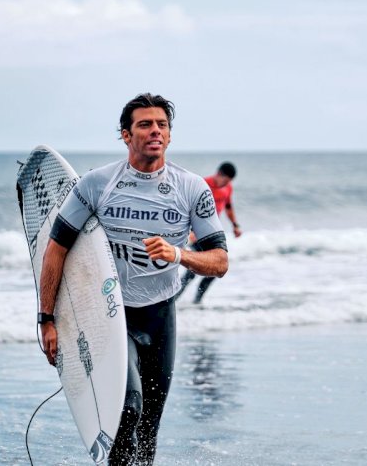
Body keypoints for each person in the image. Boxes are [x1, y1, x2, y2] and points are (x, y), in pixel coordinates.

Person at [37, 93, 229, 465]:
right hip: (111, 316)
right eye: (144, 124)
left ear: (170, 136)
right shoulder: (96, 185)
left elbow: (220, 261)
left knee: (150, 427)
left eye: (162, 125)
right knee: (127, 410)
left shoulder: (191, 189)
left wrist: (179, 255)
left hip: (161, 316)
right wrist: (47, 318)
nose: (154, 131)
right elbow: (56, 249)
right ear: (126, 135)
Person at [178, 162, 242, 304]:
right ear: (219, 174)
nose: (226, 184)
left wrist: (235, 225)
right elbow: (186, 209)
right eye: (225, 180)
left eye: (229, 182)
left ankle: (197, 301)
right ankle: (173, 302)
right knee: (193, 269)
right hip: (195, 233)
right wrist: (190, 231)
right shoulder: (202, 185)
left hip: (211, 234)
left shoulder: (227, 188)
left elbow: (228, 207)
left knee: (214, 270)